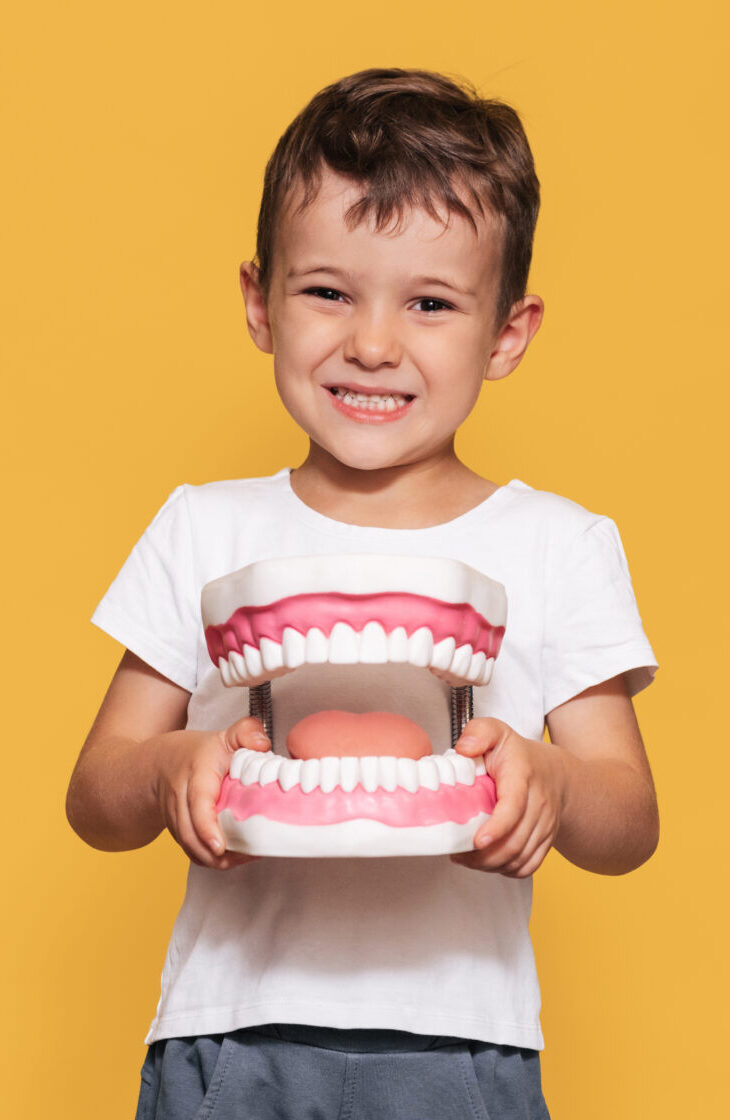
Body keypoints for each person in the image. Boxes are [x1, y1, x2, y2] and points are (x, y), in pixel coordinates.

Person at [66, 68, 659, 1119]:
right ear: (259, 302)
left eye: (430, 303)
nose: (373, 343)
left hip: (462, 1046)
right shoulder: (201, 526)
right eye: (328, 291)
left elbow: (628, 814)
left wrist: (553, 787)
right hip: (228, 1036)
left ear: (507, 334)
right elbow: (95, 791)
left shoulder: (560, 545)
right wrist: (165, 769)